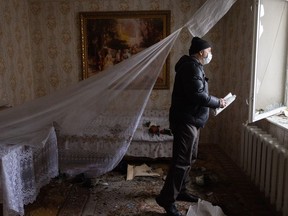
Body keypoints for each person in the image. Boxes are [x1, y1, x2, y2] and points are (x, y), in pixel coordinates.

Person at [155, 37, 227, 216]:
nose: (211, 54)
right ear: (201, 52)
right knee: (181, 162)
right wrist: (218, 102)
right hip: (186, 120)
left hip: (192, 120)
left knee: (190, 157)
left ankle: (181, 190)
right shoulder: (191, 67)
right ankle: (167, 199)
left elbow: (198, 93)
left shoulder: (194, 66)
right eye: (209, 51)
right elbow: (197, 95)